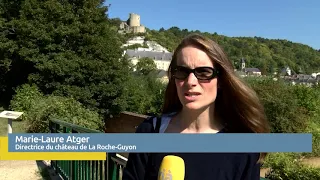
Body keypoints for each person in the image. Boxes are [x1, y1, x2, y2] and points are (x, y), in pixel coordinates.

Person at [122, 34, 270, 180]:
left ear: (220, 81)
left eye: (204, 72)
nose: (190, 81)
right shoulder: (150, 132)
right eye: (182, 71)